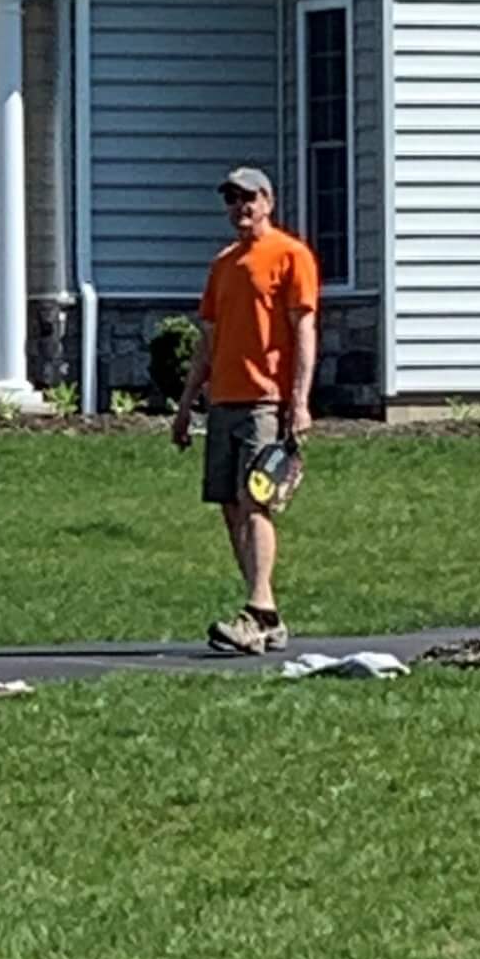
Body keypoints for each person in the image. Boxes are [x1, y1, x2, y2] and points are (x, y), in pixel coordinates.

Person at [169, 167, 319, 656]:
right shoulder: (224, 265)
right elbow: (208, 343)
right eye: (232, 200)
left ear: (268, 201)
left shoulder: (291, 256)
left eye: (248, 198)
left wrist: (298, 402)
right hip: (224, 403)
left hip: (265, 401)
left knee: (255, 499)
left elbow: (303, 332)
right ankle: (268, 616)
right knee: (231, 507)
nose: (240, 208)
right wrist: (188, 404)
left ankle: (254, 611)